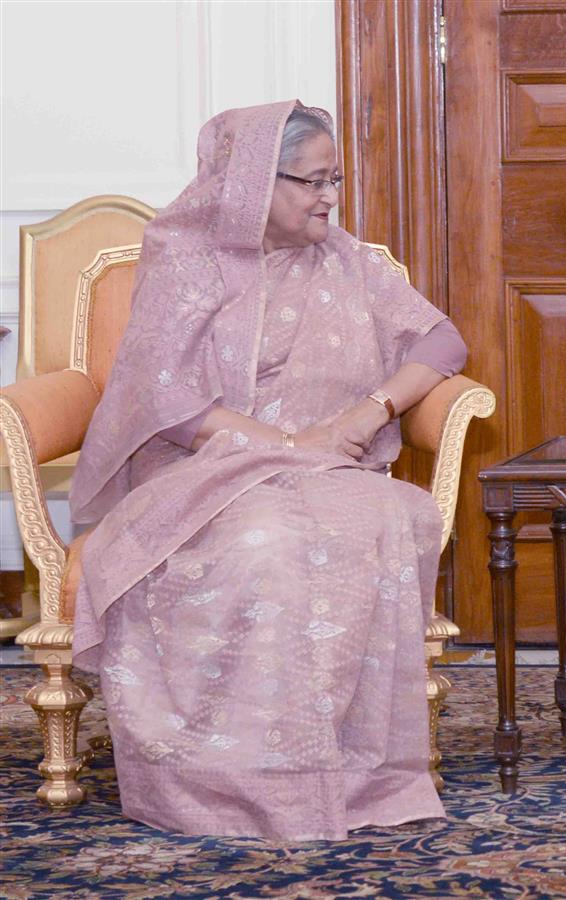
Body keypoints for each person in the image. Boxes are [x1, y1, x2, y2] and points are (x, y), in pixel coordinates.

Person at [68, 100, 468, 841]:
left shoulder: (345, 259)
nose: (330, 198)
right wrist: (281, 445)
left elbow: (441, 341)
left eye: (336, 180)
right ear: (255, 179)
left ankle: (351, 776)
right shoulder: (185, 258)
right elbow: (168, 400)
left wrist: (369, 411)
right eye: (313, 182)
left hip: (327, 468)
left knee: (386, 517)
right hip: (203, 470)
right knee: (267, 546)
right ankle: (237, 780)